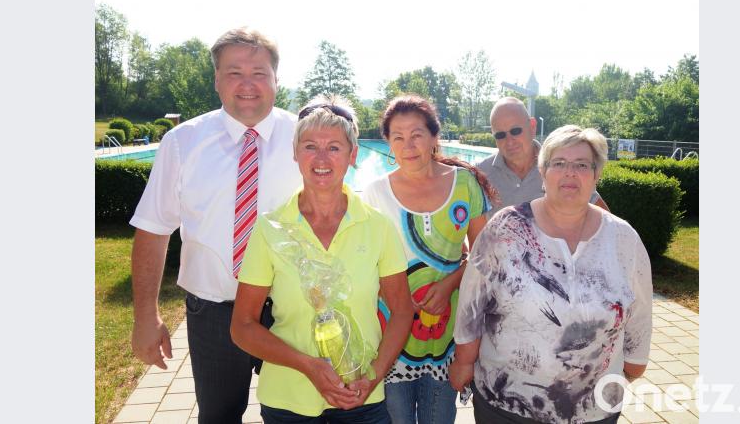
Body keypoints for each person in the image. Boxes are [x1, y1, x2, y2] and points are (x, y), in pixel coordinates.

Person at [129, 27, 302, 423]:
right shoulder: (182, 143)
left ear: (277, 79)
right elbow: (154, 230)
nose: (247, 84)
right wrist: (145, 316)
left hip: (292, 311)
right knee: (219, 417)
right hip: (214, 314)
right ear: (216, 80)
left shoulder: (306, 138)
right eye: (234, 72)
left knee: (298, 416)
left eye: (259, 72)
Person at [450, 125, 653, 424]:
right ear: (543, 173)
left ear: (596, 175)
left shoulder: (623, 238)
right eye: (559, 163)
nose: (570, 172)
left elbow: (640, 311)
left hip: (593, 408)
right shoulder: (506, 228)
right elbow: (472, 304)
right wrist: (464, 361)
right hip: (506, 404)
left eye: (582, 165)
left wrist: (634, 366)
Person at [230, 95, 414, 423]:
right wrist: (308, 366)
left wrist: (372, 376)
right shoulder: (270, 228)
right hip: (288, 398)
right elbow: (242, 326)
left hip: (362, 398)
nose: (322, 158)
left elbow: (402, 312)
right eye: (310, 146)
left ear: (352, 155)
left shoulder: (377, 227)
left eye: (334, 147)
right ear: (295, 153)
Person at [361, 95, 497, 424]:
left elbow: (485, 255)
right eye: (398, 137)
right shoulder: (376, 192)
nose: (408, 145)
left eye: (417, 134)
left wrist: (450, 281)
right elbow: (366, 260)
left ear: (435, 137)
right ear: (389, 144)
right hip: (392, 329)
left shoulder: (465, 183)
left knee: (439, 417)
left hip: (448, 331)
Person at [477, 97, 609, 220]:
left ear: (533, 127)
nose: (509, 141)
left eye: (516, 131)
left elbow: (606, 222)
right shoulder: (481, 174)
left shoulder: (559, 166)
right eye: (500, 135)